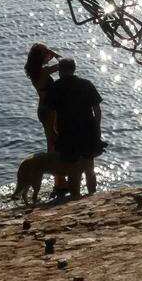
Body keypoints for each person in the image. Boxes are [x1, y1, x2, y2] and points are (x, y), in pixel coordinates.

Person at [43, 57, 106, 196]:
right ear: (74, 69)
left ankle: (75, 198)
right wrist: (97, 128)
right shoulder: (86, 84)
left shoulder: (55, 87)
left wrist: (53, 132)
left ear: (60, 70)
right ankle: (92, 195)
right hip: (87, 130)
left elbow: (51, 113)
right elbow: (97, 110)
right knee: (89, 166)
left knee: (73, 168)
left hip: (67, 131)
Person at [23, 43, 61, 151]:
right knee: (53, 140)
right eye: (46, 52)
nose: (48, 53)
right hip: (49, 109)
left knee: (50, 140)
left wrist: (48, 53)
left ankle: (51, 165)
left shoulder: (35, 72)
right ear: (40, 56)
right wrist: (55, 54)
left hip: (42, 108)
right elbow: (63, 63)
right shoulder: (44, 72)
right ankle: (54, 165)